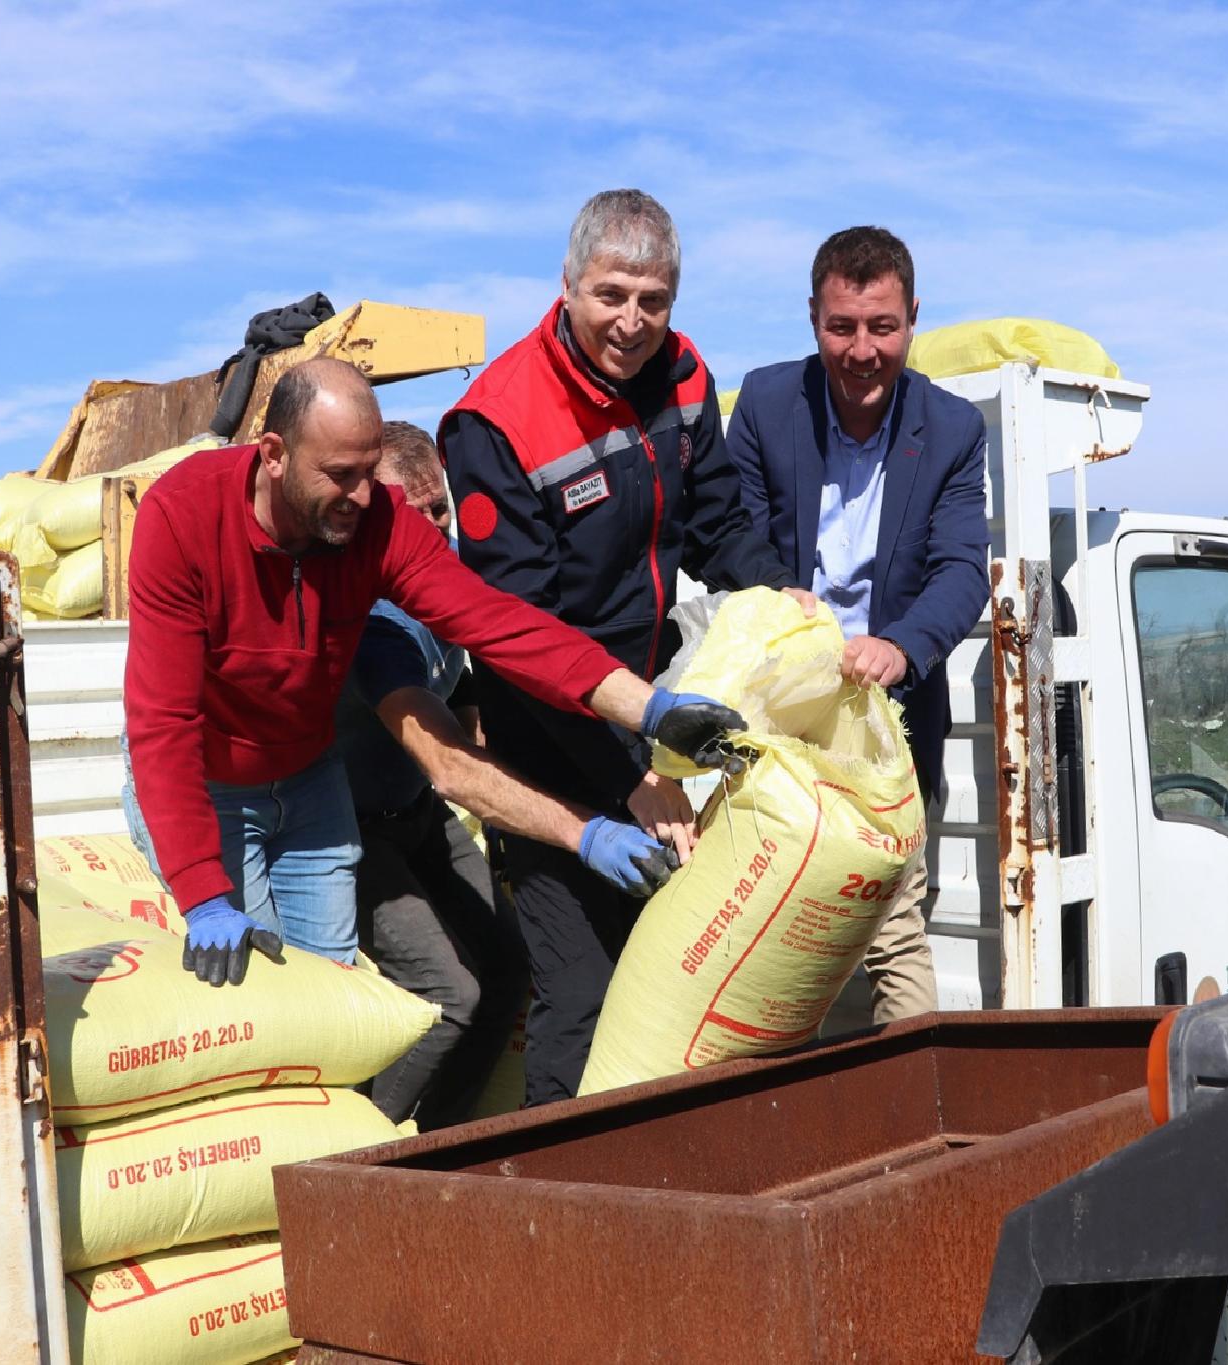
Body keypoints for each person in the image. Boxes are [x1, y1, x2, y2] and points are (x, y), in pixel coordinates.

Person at [123, 355, 747, 989]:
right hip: (208, 779)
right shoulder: (182, 518)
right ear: (274, 453)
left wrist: (651, 710)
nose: (363, 498)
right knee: (260, 999)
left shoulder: (377, 522)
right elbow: (162, 724)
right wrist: (203, 891)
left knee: (337, 996)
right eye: (341, 476)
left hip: (308, 776)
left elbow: (503, 626)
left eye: (370, 473)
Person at [440, 188, 816, 1102]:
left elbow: (719, 522)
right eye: (611, 295)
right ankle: (557, 1220)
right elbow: (521, 643)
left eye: (654, 301)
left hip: (650, 721)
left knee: (676, 979)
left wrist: (780, 596)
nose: (631, 322)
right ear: (567, 286)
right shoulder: (497, 422)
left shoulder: (684, 376)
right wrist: (629, 779)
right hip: (545, 749)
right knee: (581, 995)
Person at [341, 422, 675, 1127]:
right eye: (413, 513)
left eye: (441, 509)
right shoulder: (372, 615)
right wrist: (582, 832)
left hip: (421, 816)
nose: (433, 528)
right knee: (451, 994)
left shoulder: (451, 578)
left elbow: (469, 680)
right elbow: (451, 765)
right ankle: (361, 1153)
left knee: (509, 975)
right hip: (356, 831)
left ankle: (445, 1138)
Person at [726, 225, 991, 1023]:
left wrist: (901, 647)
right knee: (768, 930)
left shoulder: (951, 431)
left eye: (883, 326)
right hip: (778, 718)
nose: (862, 349)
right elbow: (733, 535)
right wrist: (784, 600)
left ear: (913, 317)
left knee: (891, 930)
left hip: (889, 723)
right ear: (814, 319)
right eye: (842, 326)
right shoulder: (768, 406)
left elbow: (961, 569)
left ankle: (912, 1103)